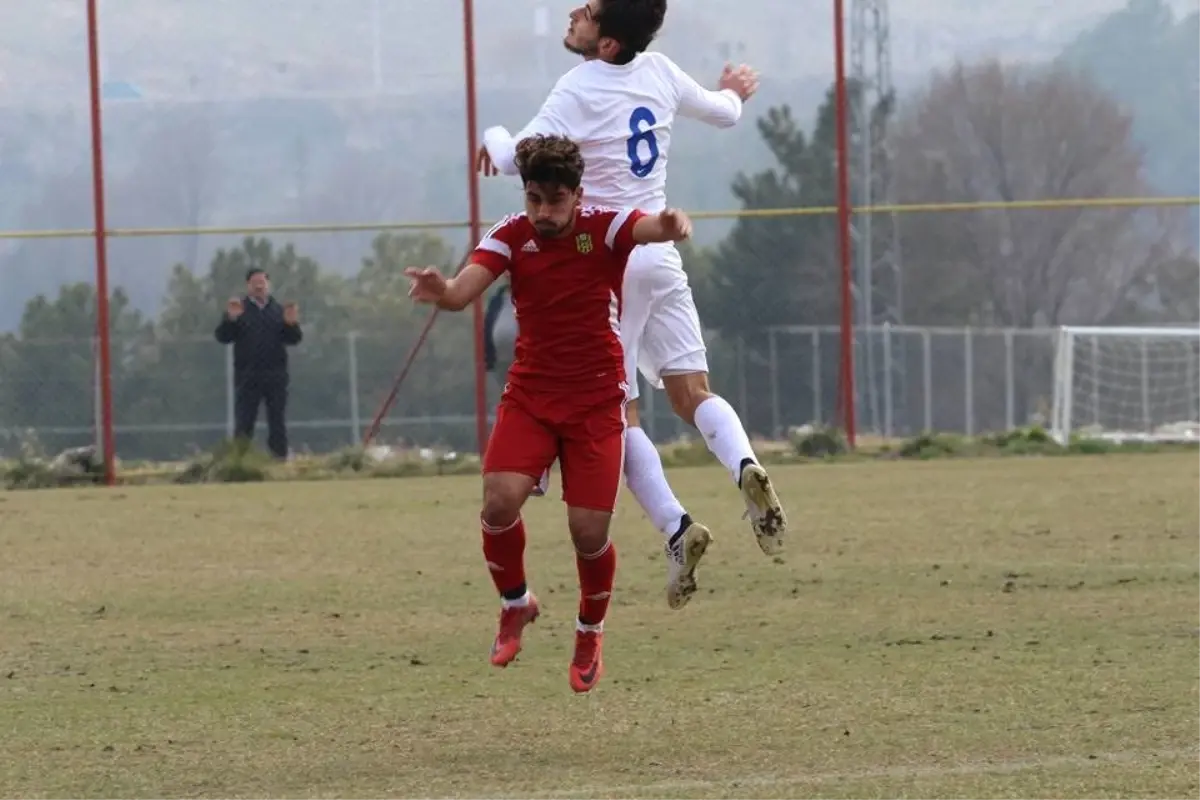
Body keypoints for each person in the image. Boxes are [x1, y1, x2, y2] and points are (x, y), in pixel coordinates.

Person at [477, 0, 786, 612]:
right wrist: (733, 92)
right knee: (692, 390)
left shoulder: (579, 86)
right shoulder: (663, 72)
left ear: (609, 44)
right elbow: (724, 114)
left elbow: (514, 157)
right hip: (660, 246)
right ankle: (744, 462)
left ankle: (676, 528)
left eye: (587, 12)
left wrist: (489, 137)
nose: (574, 13)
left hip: (608, 257)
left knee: (619, 415)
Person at [405, 133, 693, 694]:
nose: (543, 212)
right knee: (498, 500)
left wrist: (671, 224)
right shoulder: (513, 234)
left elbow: (646, 227)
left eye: (555, 201)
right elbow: (463, 293)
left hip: (595, 402)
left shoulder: (602, 227)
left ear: (577, 196)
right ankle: (516, 604)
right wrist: (441, 290)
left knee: (588, 533)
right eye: (535, 198)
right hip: (532, 397)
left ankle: (590, 630)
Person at [214, 268, 302, 459]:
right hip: (248, 376)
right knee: (245, 421)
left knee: (277, 421)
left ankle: (279, 459)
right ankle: (239, 460)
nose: (259, 286)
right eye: (255, 283)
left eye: (262, 282)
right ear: (248, 286)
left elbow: (294, 339)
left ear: (268, 284)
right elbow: (223, 337)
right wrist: (231, 320)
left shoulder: (278, 310)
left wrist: (291, 324)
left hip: (275, 376)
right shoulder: (240, 309)